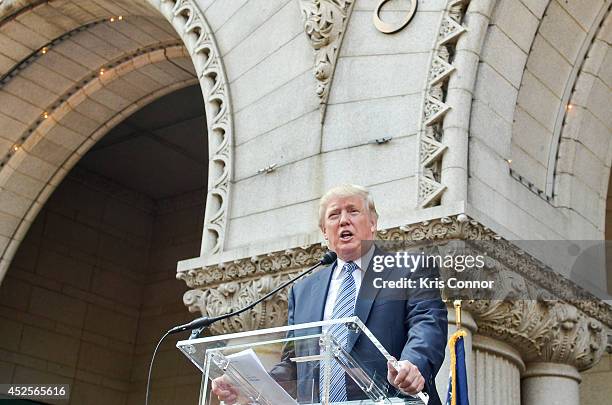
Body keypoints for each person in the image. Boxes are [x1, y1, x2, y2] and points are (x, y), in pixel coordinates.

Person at [213, 184, 447, 404]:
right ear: (325, 231)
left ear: (373, 223)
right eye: (334, 215)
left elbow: (426, 324)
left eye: (353, 211)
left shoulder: (409, 268)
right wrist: (246, 384)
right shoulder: (303, 291)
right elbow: (294, 365)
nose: (344, 220)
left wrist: (413, 365)